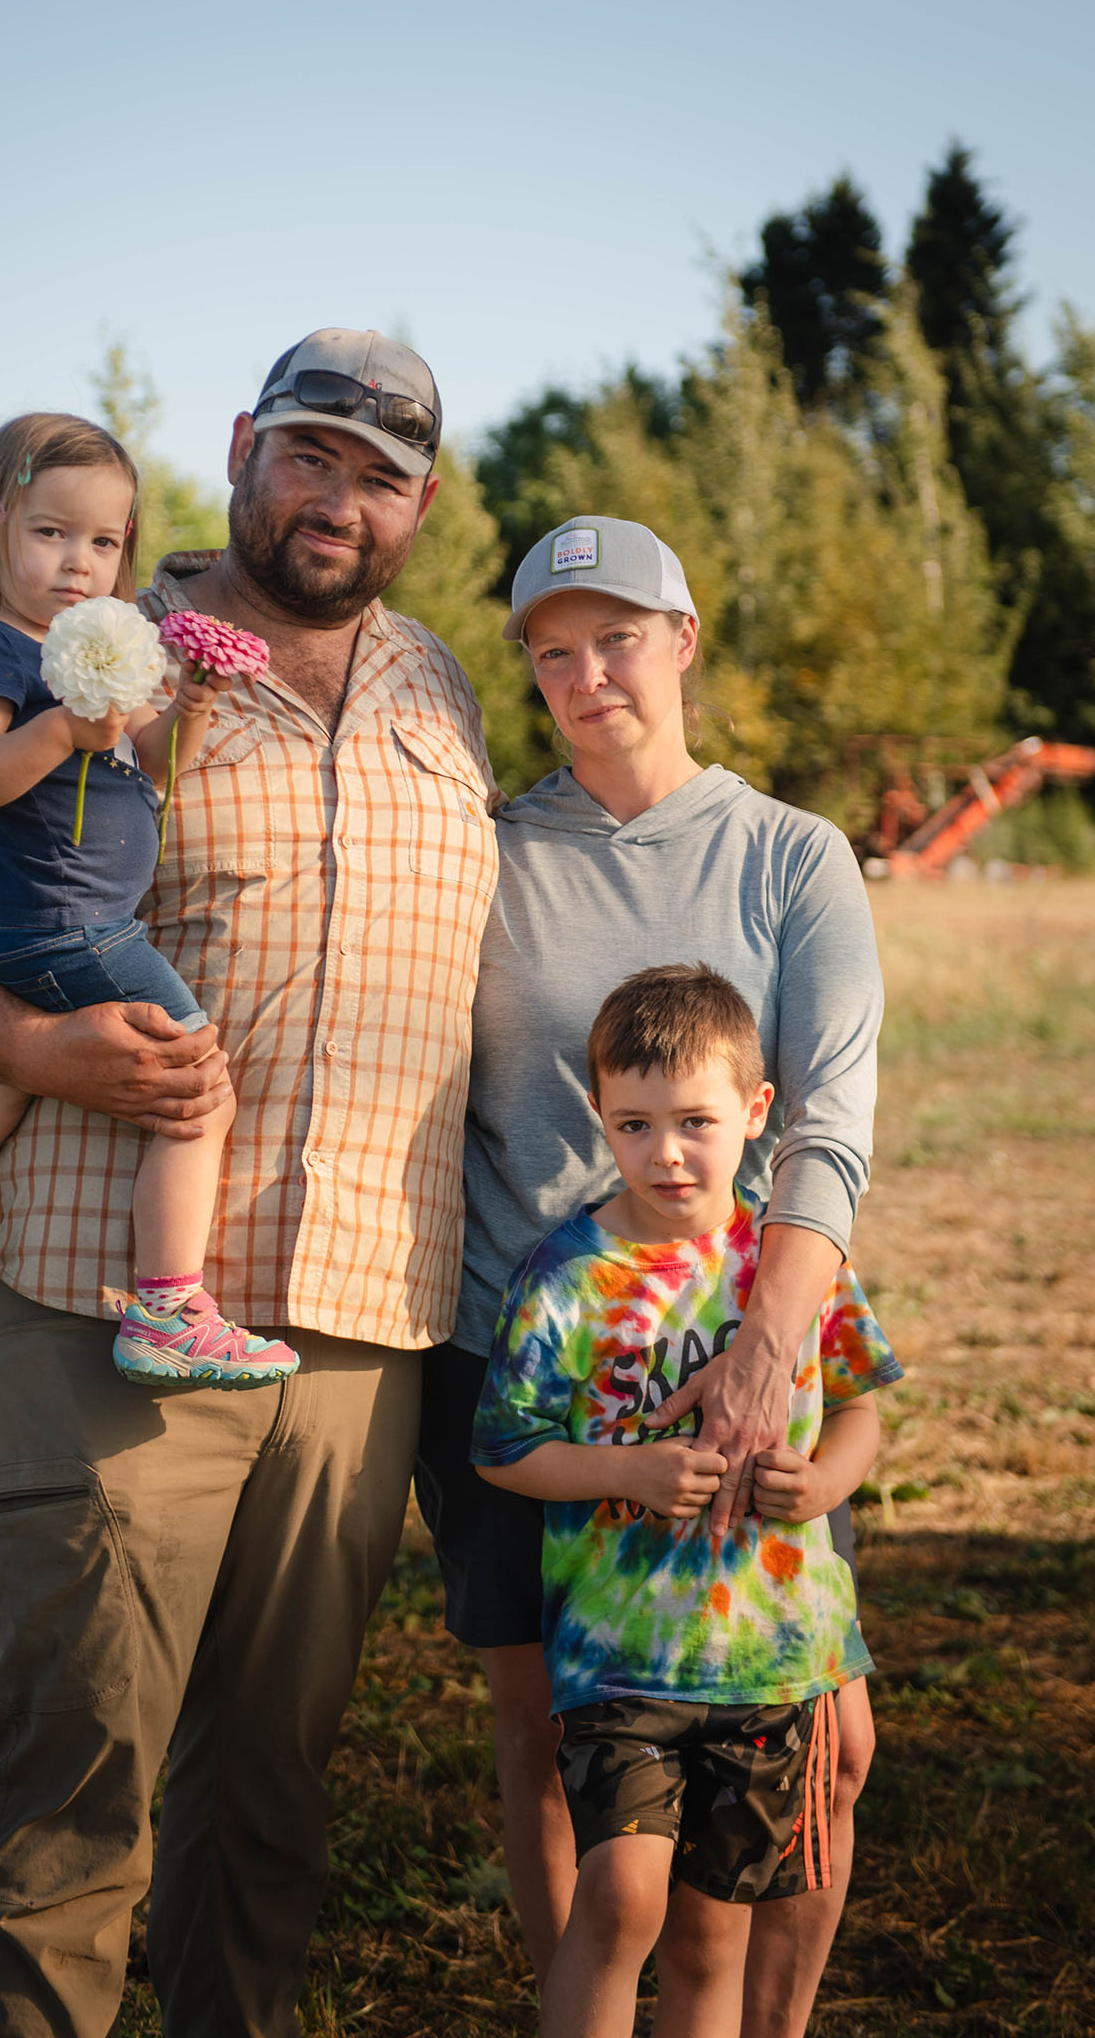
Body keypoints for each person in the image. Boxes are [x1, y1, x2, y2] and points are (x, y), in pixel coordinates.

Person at [0, 329, 500, 2037]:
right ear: (241, 449)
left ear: (420, 502)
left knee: (270, 1806)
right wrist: (33, 1048)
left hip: (358, 1327)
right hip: (97, 1301)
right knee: (75, 1784)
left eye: (380, 476)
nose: (337, 501)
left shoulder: (442, 688)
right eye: (308, 457)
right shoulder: (100, 642)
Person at [418, 515, 885, 2031]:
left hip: (738, 1346)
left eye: (616, 635)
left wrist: (765, 1349)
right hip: (528, 1350)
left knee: (818, 1729)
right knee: (553, 1726)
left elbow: (830, 1118)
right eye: (552, 649)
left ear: (682, 641)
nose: (585, 671)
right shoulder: (485, 850)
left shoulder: (791, 856)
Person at [473, 964, 901, 2038]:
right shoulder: (569, 1276)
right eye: (635, 1123)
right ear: (597, 1119)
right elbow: (504, 1449)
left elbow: (860, 1407)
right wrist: (626, 1471)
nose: (666, 1151)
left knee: (713, 1934)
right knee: (620, 1901)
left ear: (757, 1115)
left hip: (770, 1659)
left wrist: (824, 1485)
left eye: (696, 1121)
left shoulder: (788, 1265)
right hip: (620, 1657)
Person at [0, 410, 296, 1397]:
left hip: (41, 927)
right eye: (52, 533)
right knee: (197, 1090)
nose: (78, 563)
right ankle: (169, 1307)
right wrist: (61, 737)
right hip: (68, 925)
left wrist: (191, 702)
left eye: (104, 541)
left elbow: (149, 775)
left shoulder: (99, 652)